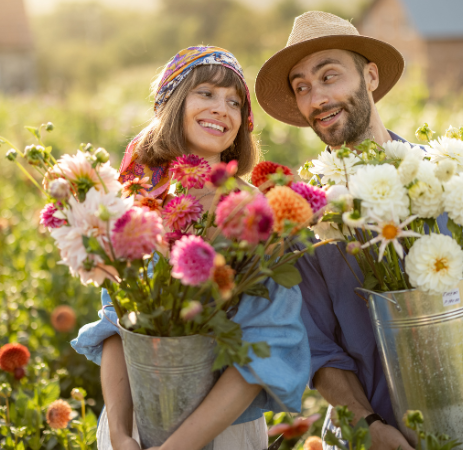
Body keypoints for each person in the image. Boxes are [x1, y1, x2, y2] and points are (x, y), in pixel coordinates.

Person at [255, 11, 463, 450]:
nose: (317, 97)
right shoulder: (305, 217)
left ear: (370, 76)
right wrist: (370, 425)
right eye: (302, 87)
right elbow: (320, 350)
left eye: (329, 76)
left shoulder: (445, 178)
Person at [71, 46, 310, 450]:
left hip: (222, 432)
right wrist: (120, 434)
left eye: (235, 102)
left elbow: (266, 344)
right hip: (132, 427)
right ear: (173, 101)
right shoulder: (135, 202)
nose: (222, 109)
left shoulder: (258, 214)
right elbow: (115, 326)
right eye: (207, 93)